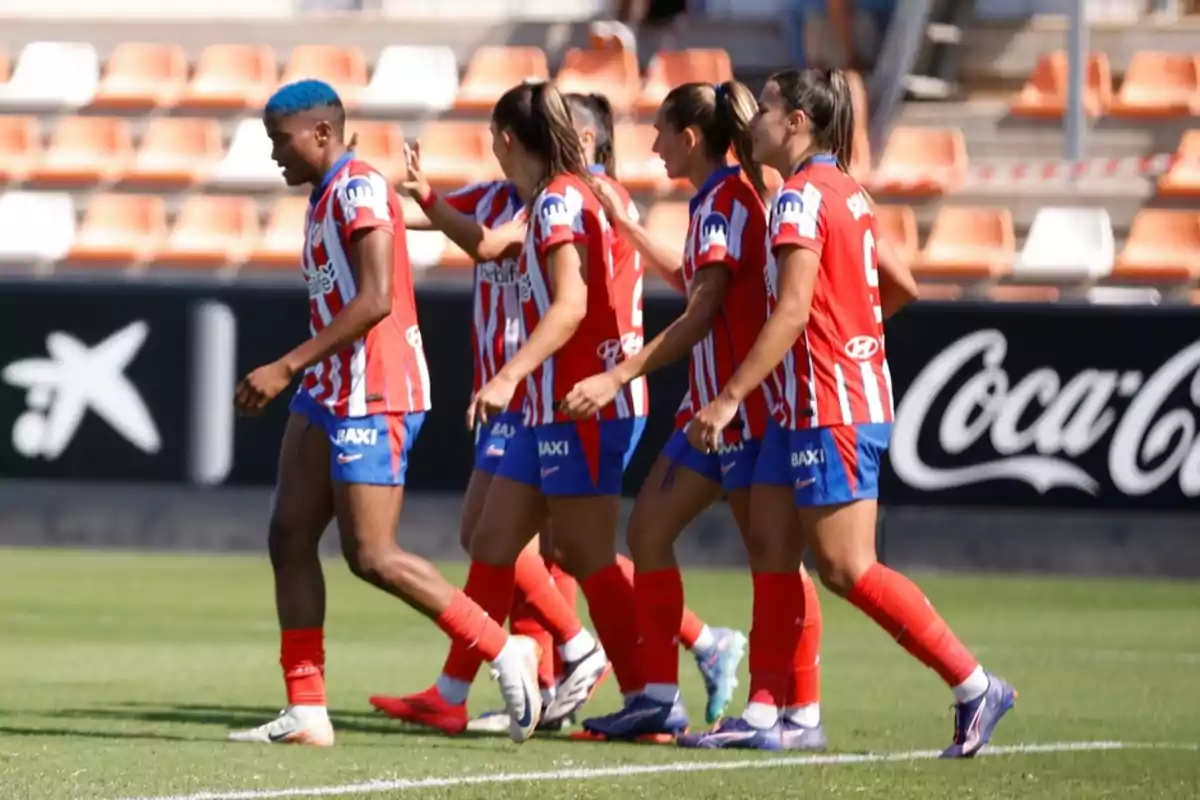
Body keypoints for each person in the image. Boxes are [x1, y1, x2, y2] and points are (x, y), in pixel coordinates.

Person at [678, 69, 1016, 757]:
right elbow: (902, 283)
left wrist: (730, 394)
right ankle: (776, 711)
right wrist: (856, 329)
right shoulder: (848, 193)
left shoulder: (800, 198)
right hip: (804, 401)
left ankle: (975, 684)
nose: (756, 121)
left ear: (798, 121)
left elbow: (795, 309)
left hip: (828, 403)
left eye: (767, 108)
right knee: (772, 551)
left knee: (845, 567)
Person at [226, 79, 542, 747]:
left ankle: (503, 648)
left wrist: (286, 365)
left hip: (376, 387)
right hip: (331, 387)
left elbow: (374, 300)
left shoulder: (359, 188)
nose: (274, 155)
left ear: (319, 133)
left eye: (279, 141)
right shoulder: (323, 196)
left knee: (371, 555)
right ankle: (308, 709)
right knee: (288, 536)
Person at [372, 80, 650, 742]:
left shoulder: (565, 200)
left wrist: (507, 374)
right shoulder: (528, 198)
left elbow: (564, 299)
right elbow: (474, 237)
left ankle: (638, 681)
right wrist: (365, 193)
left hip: (571, 394)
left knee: (581, 550)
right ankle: (474, 686)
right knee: (493, 540)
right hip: (538, 398)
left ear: (504, 138)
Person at [559, 80, 824, 747]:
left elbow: (701, 312)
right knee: (649, 531)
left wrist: (618, 374)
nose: (651, 144)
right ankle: (658, 696)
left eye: (660, 132)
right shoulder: (724, 199)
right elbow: (700, 281)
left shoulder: (724, 202)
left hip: (738, 408)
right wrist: (631, 229)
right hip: (712, 410)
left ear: (691, 138)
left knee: (776, 559)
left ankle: (795, 705)